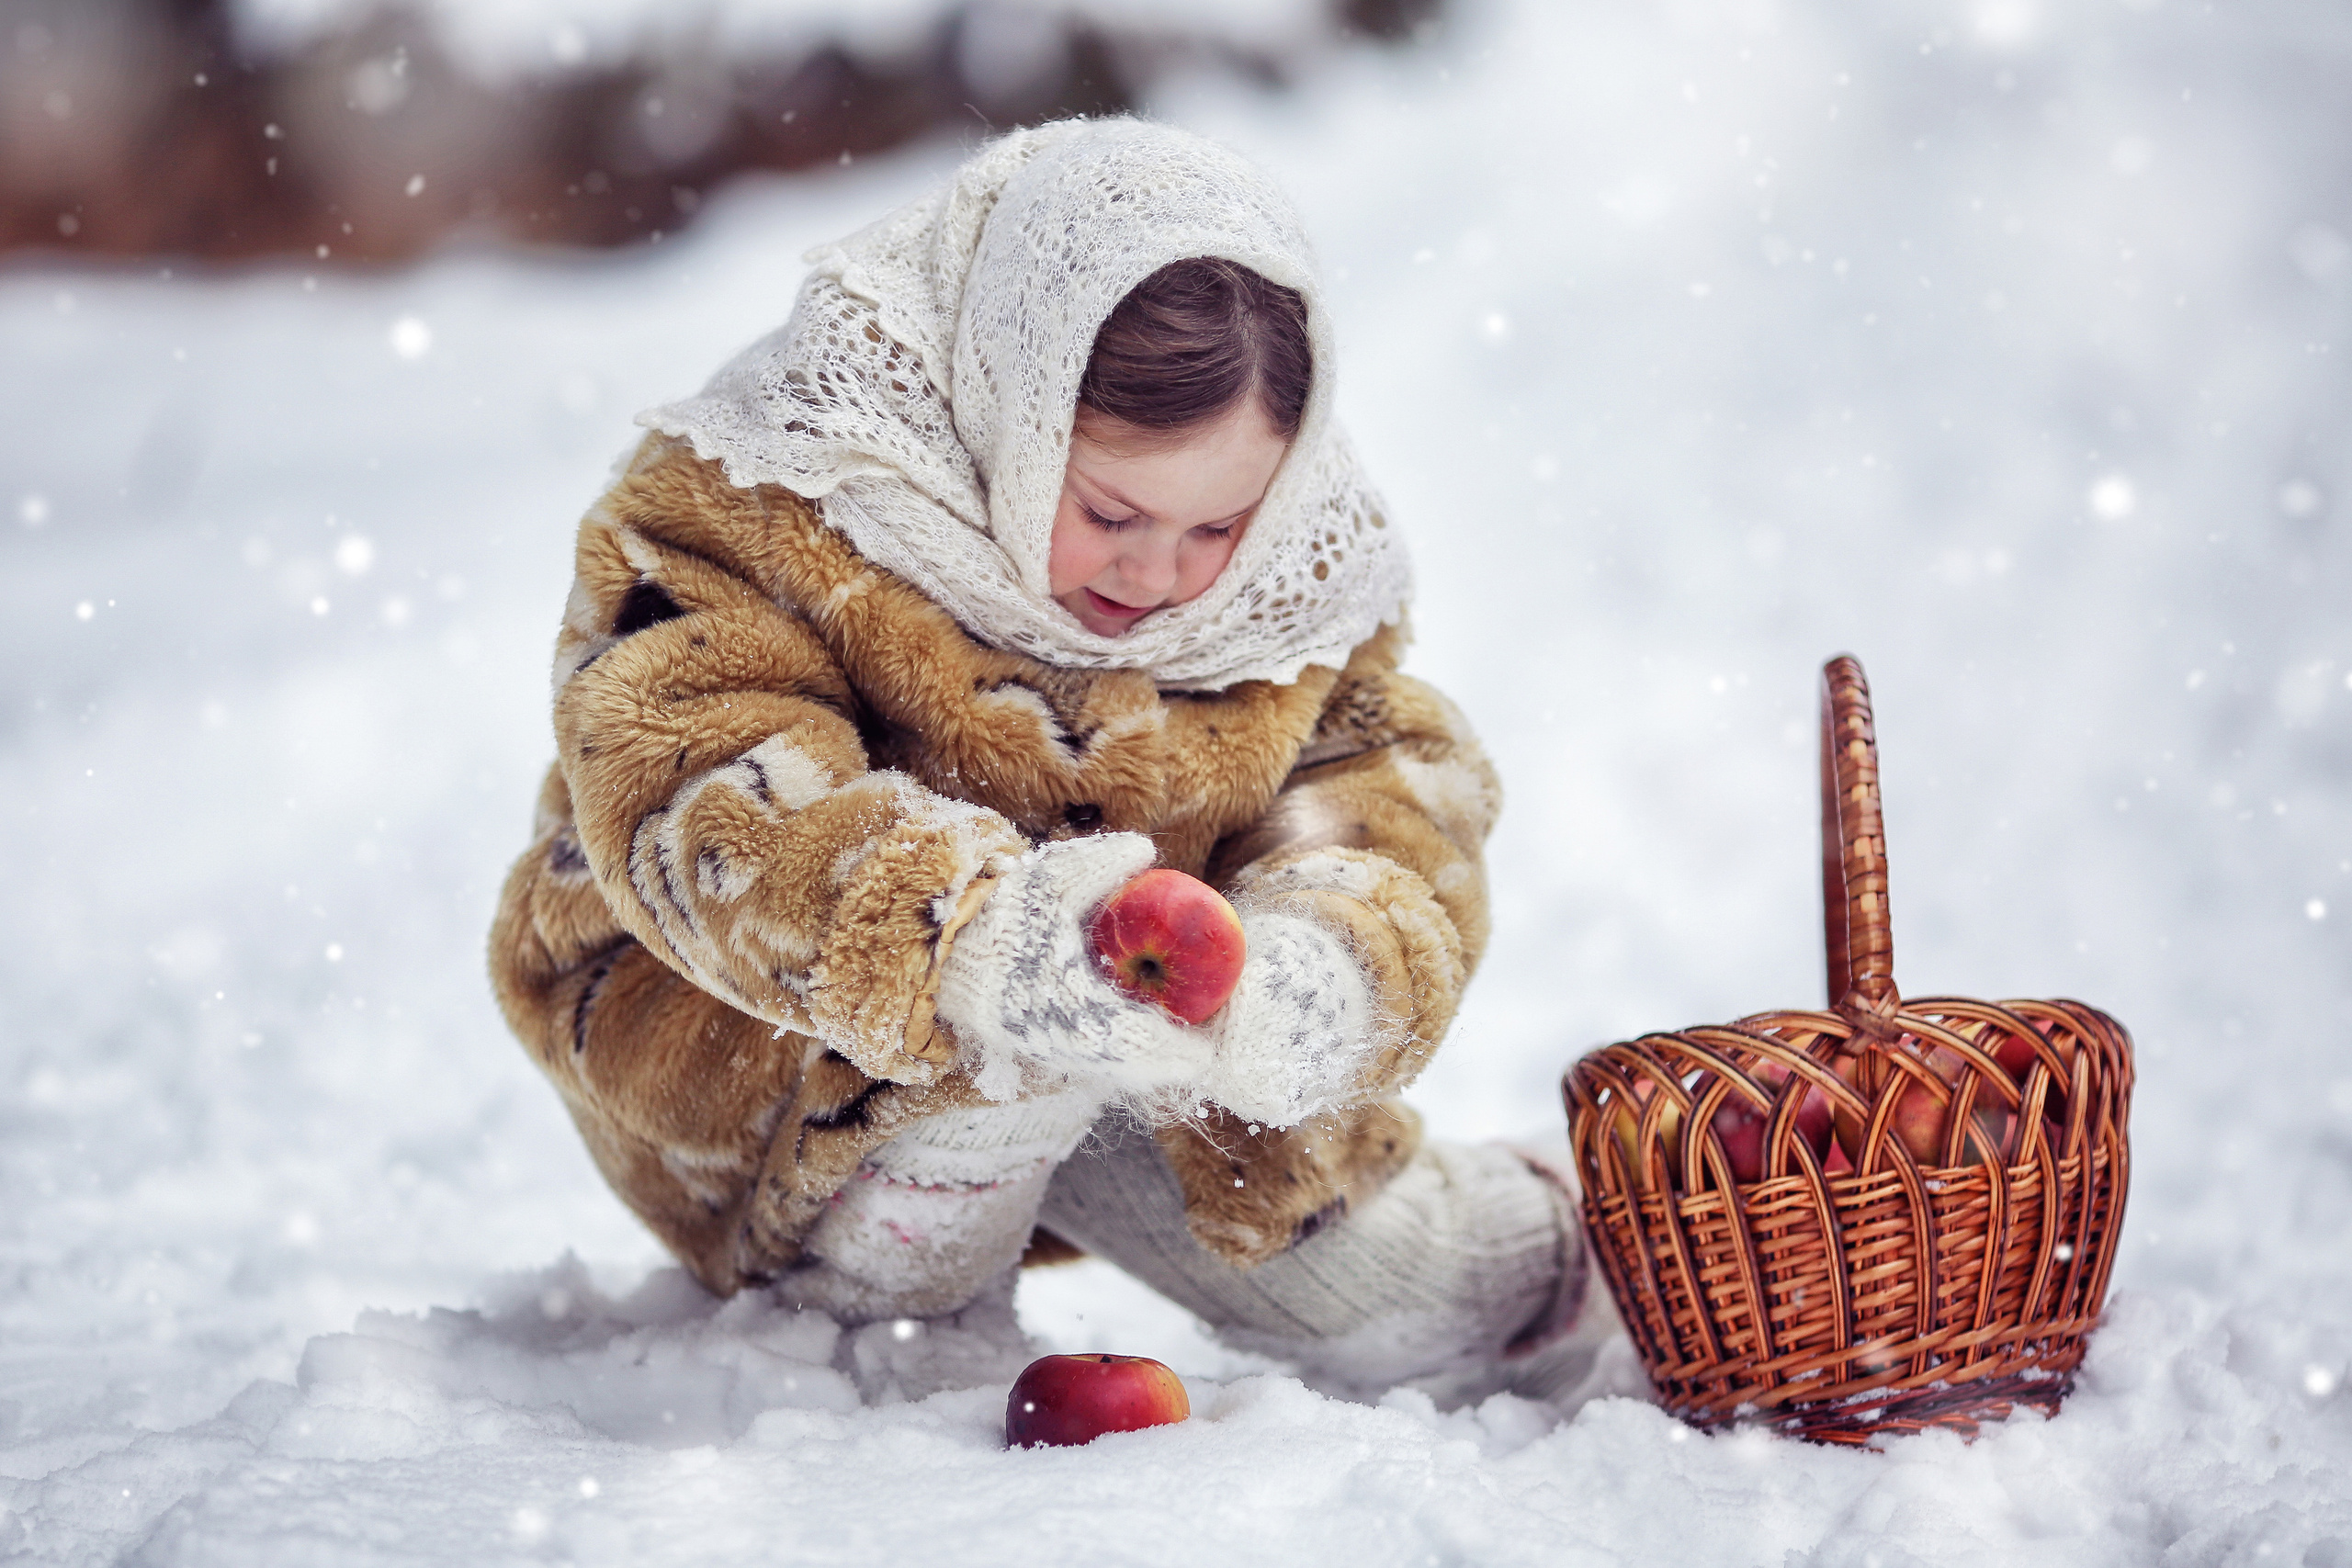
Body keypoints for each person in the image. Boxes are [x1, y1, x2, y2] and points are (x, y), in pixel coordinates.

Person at [488, 118, 1613, 1405]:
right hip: (760, 1036)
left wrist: (1322, 958)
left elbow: (1369, 794)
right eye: (1111, 512)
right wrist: (966, 937)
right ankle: (874, 1340)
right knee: (963, 1149)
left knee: (1380, 1302)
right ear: (1012, 411)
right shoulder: (776, 485)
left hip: (1142, 993)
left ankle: (1551, 1239)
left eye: (1216, 527)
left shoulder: (1292, 576)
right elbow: (694, 767)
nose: (1158, 574)